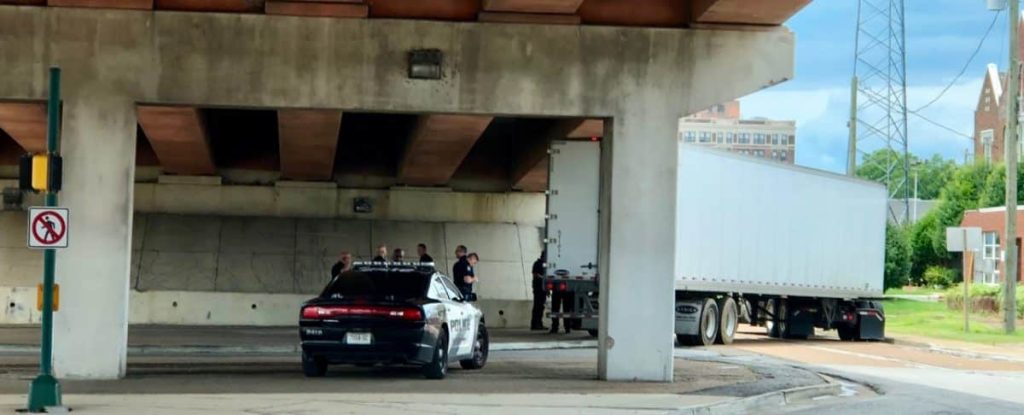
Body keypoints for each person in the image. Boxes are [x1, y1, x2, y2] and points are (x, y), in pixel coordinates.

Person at [530, 251, 548, 331]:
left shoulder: (545, 265)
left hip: (543, 288)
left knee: (541, 307)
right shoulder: (537, 264)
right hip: (538, 288)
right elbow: (535, 274)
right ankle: (535, 324)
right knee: (537, 306)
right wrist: (543, 278)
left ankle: (539, 323)